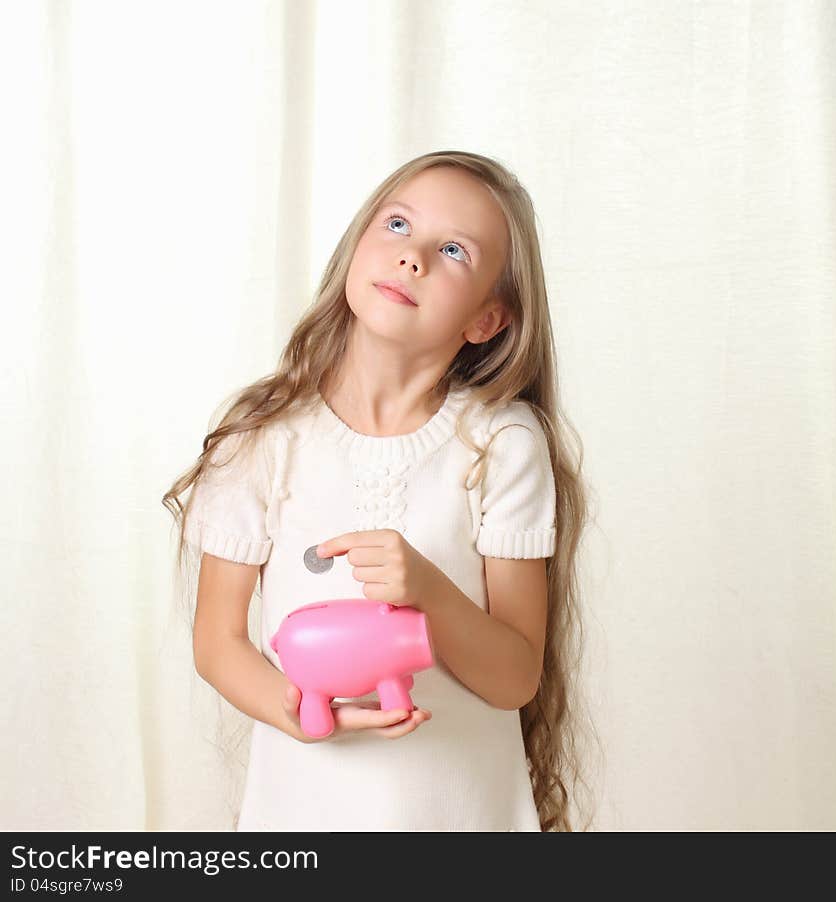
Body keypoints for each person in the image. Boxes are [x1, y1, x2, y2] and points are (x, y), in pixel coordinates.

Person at [163, 150, 598, 831]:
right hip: (305, 816)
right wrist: (304, 714)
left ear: (487, 318)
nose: (413, 257)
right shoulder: (263, 436)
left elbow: (516, 677)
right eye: (398, 225)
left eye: (453, 249)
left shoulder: (502, 444)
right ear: (358, 244)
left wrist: (424, 586)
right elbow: (218, 644)